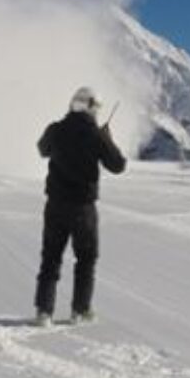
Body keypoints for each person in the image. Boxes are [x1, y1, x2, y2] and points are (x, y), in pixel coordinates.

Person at [34, 86, 127, 325]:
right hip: (83, 208)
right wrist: (107, 139)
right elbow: (118, 165)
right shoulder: (95, 135)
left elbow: (42, 149)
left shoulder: (55, 129)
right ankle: (80, 310)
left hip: (54, 205)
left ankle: (44, 312)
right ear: (91, 107)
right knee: (86, 259)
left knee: (51, 257)